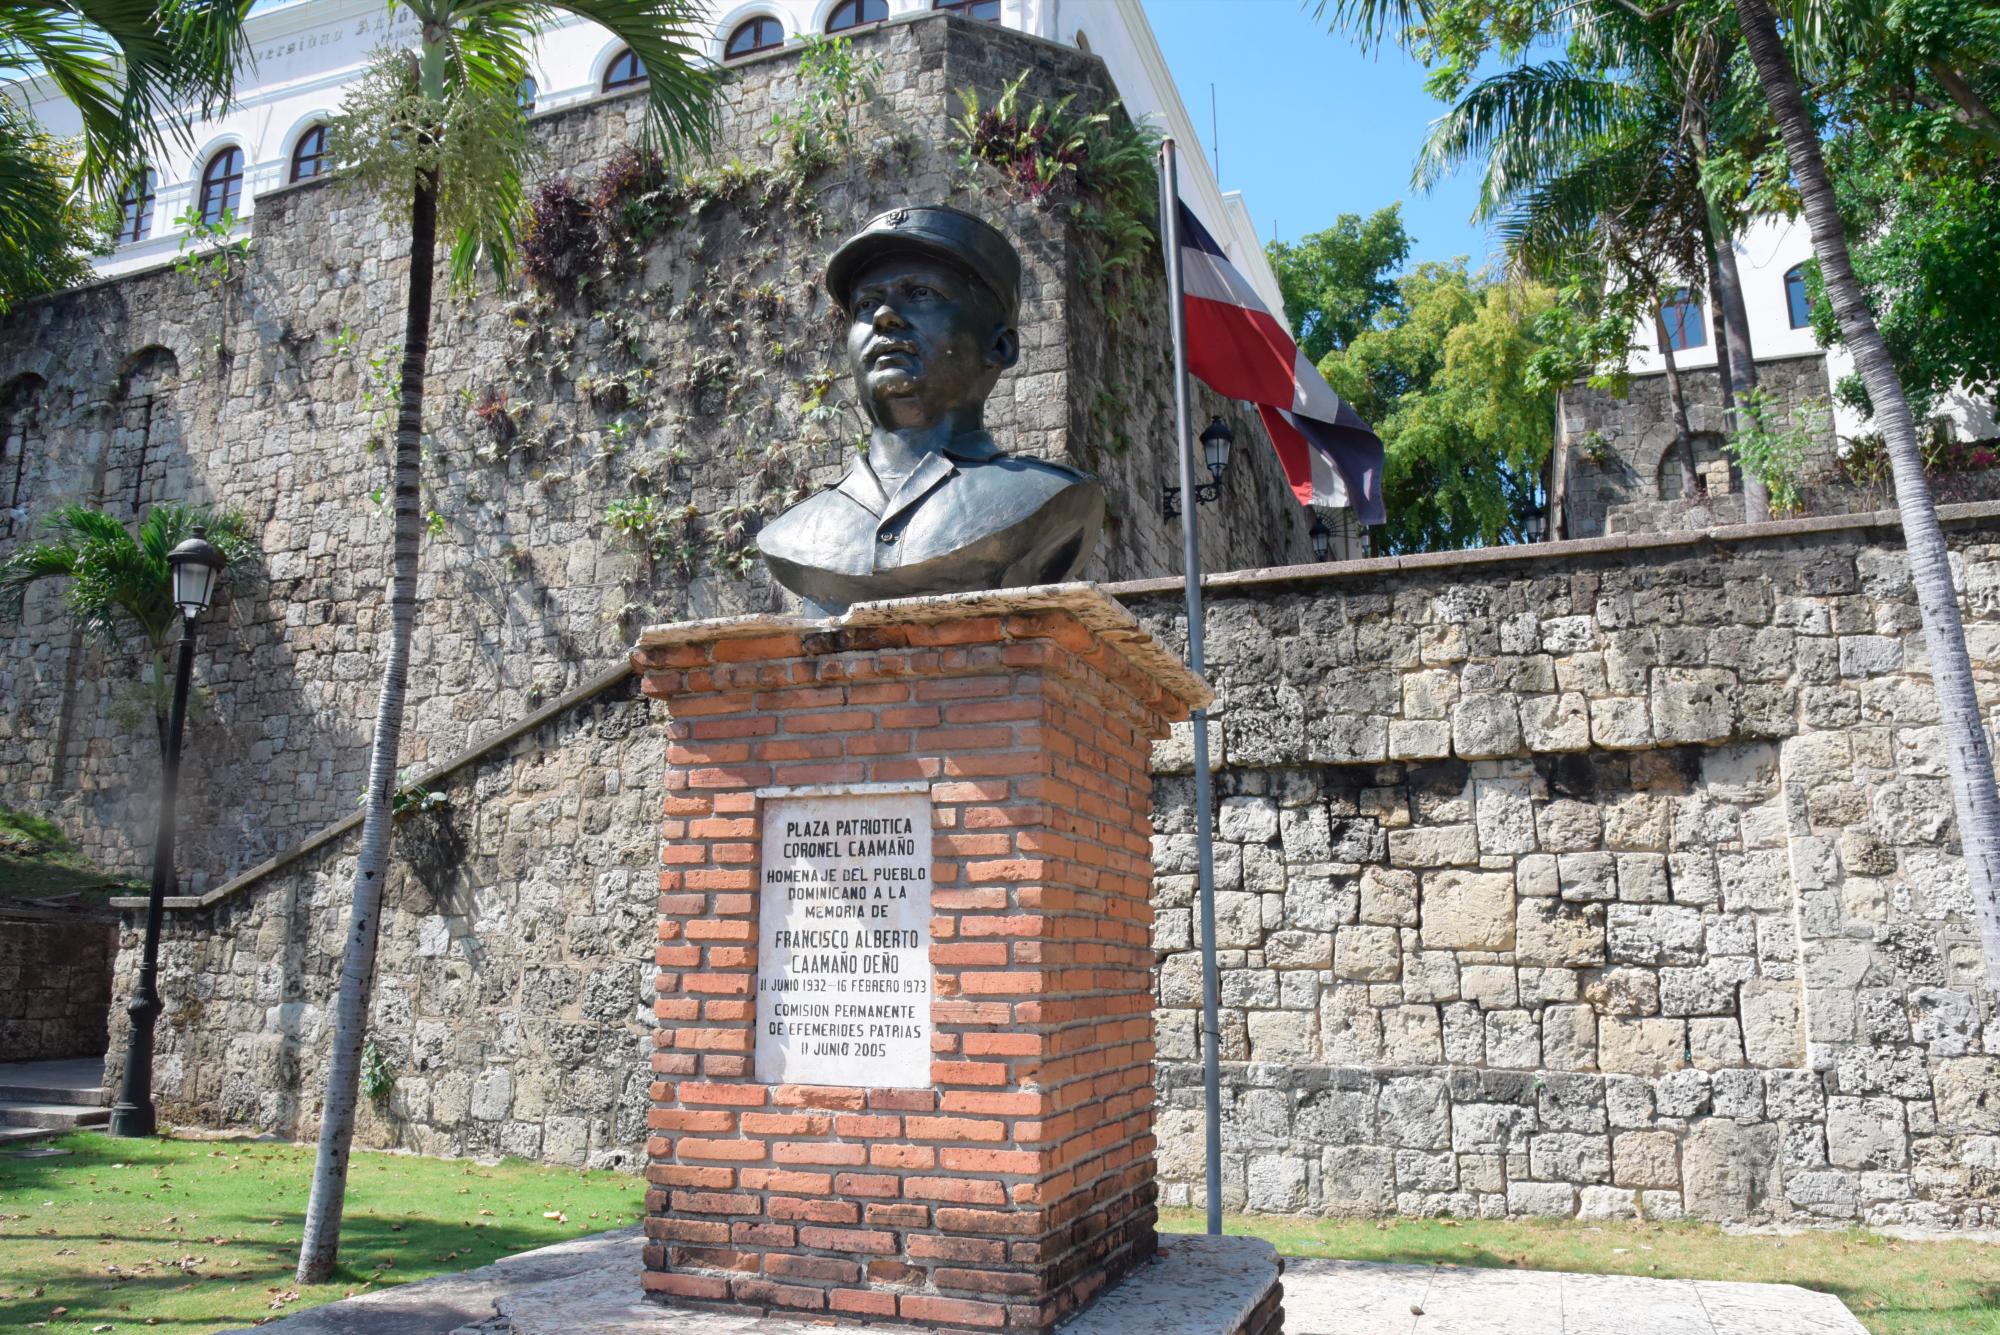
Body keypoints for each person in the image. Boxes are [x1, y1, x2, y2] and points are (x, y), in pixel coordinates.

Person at [756, 206, 1103, 615]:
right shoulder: (800, 530)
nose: (884, 317)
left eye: (921, 293)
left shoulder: (1046, 496)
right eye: (866, 304)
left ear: (999, 346)